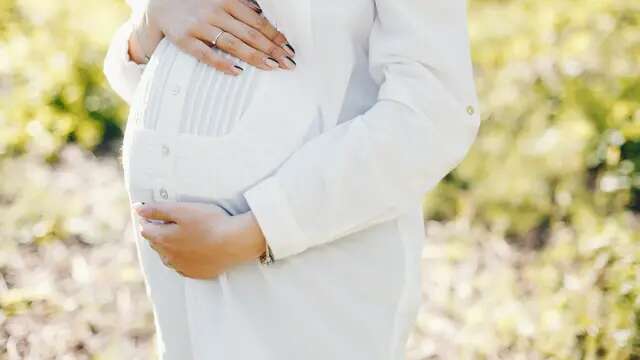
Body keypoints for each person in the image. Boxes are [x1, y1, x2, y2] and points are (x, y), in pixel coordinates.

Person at [103, 0, 480, 358]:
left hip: (311, 269)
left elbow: (432, 111)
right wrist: (149, 21)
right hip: (176, 273)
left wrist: (257, 230)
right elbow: (155, 59)